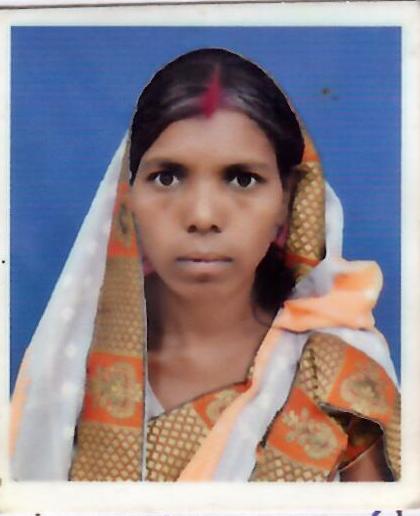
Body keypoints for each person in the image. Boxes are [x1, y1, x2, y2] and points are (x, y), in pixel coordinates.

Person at [10, 48, 400, 482]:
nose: (202, 216)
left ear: (286, 200)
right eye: (167, 177)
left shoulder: (337, 377)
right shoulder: (69, 369)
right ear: (128, 194)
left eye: (242, 179)